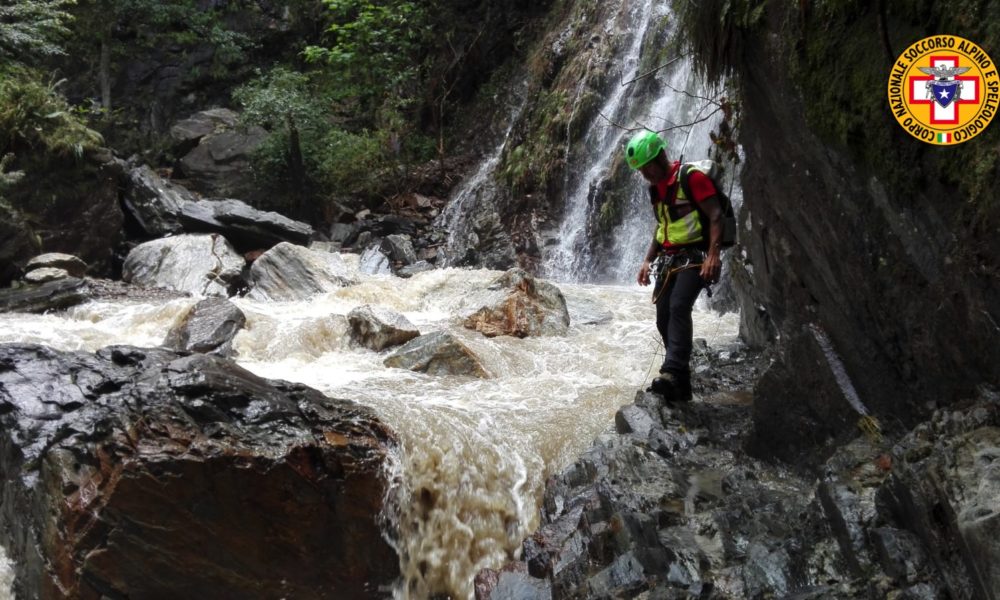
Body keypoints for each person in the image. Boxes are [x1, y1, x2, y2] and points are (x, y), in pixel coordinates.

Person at [625, 130, 724, 402]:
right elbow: (661, 227)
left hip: (696, 256)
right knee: (663, 317)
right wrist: (647, 260)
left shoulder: (692, 179)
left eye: (647, 168)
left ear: (660, 157)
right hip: (669, 261)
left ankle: (671, 371)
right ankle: (681, 384)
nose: (646, 175)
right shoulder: (655, 191)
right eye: (641, 172)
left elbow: (716, 215)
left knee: (679, 306)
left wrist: (713, 255)